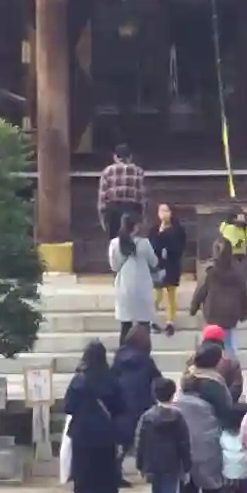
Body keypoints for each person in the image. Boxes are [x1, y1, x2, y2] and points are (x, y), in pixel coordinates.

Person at [64, 340, 125, 493]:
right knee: (104, 477)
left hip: (82, 434)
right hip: (105, 434)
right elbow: (120, 407)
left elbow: (68, 407)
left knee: (84, 475)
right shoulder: (111, 379)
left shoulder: (78, 380)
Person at [177, 343, 235, 493]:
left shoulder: (188, 376)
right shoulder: (214, 382)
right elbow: (225, 409)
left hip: (185, 431)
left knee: (189, 472)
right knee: (212, 472)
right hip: (206, 432)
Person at [135, 376, 191, 493]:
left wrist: (140, 464)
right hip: (171, 463)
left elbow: (140, 442)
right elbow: (184, 443)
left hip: (152, 463)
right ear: (173, 394)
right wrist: (187, 465)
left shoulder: (147, 416)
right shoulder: (178, 417)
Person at [111, 324, 162, 485]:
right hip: (142, 403)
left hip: (121, 404)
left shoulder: (119, 357)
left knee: (122, 443)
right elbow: (157, 379)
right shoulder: (146, 361)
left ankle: (115, 471)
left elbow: (112, 377)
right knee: (147, 440)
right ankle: (149, 471)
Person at [189, 238, 247, 356]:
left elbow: (201, 291)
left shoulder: (210, 271)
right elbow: (243, 293)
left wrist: (193, 307)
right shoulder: (238, 270)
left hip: (213, 312)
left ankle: (209, 361)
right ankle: (231, 364)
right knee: (229, 344)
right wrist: (244, 313)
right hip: (231, 313)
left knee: (209, 342)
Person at [109, 215, 158, 343]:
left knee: (125, 326)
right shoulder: (144, 243)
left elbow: (114, 266)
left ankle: (123, 350)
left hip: (124, 286)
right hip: (142, 287)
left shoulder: (115, 244)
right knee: (144, 324)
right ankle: (143, 350)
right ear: (135, 227)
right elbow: (154, 261)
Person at [150, 203, 188, 336]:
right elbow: (152, 246)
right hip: (158, 265)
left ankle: (170, 322)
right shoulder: (154, 229)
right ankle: (150, 320)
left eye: (166, 210)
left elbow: (179, 247)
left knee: (171, 294)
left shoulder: (178, 230)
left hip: (172, 264)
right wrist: (160, 233)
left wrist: (167, 235)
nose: (163, 213)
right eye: (161, 210)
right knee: (157, 294)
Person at [98, 143, 147, 236]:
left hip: (114, 209)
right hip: (133, 209)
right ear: (130, 157)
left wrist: (102, 217)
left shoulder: (107, 171)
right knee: (132, 238)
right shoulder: (138, 171)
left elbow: (102, 196)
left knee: (115, 240)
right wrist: (142, 217)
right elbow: (142, 196)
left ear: (115, 157)